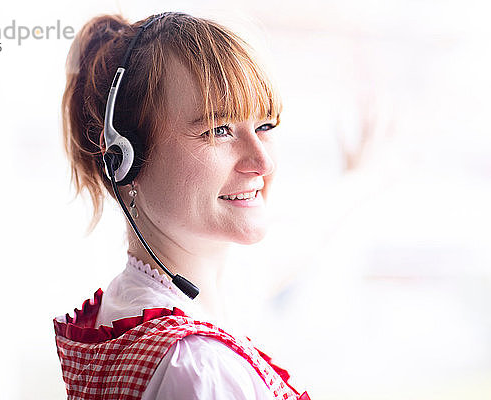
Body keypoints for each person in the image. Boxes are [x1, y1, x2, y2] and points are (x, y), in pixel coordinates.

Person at [54, 11, 310, 399]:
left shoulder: (129, 310)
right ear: (124, 160)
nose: (263, 162)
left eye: (264, 126)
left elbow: (282, 260)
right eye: (219, 129)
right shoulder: (197, 370)